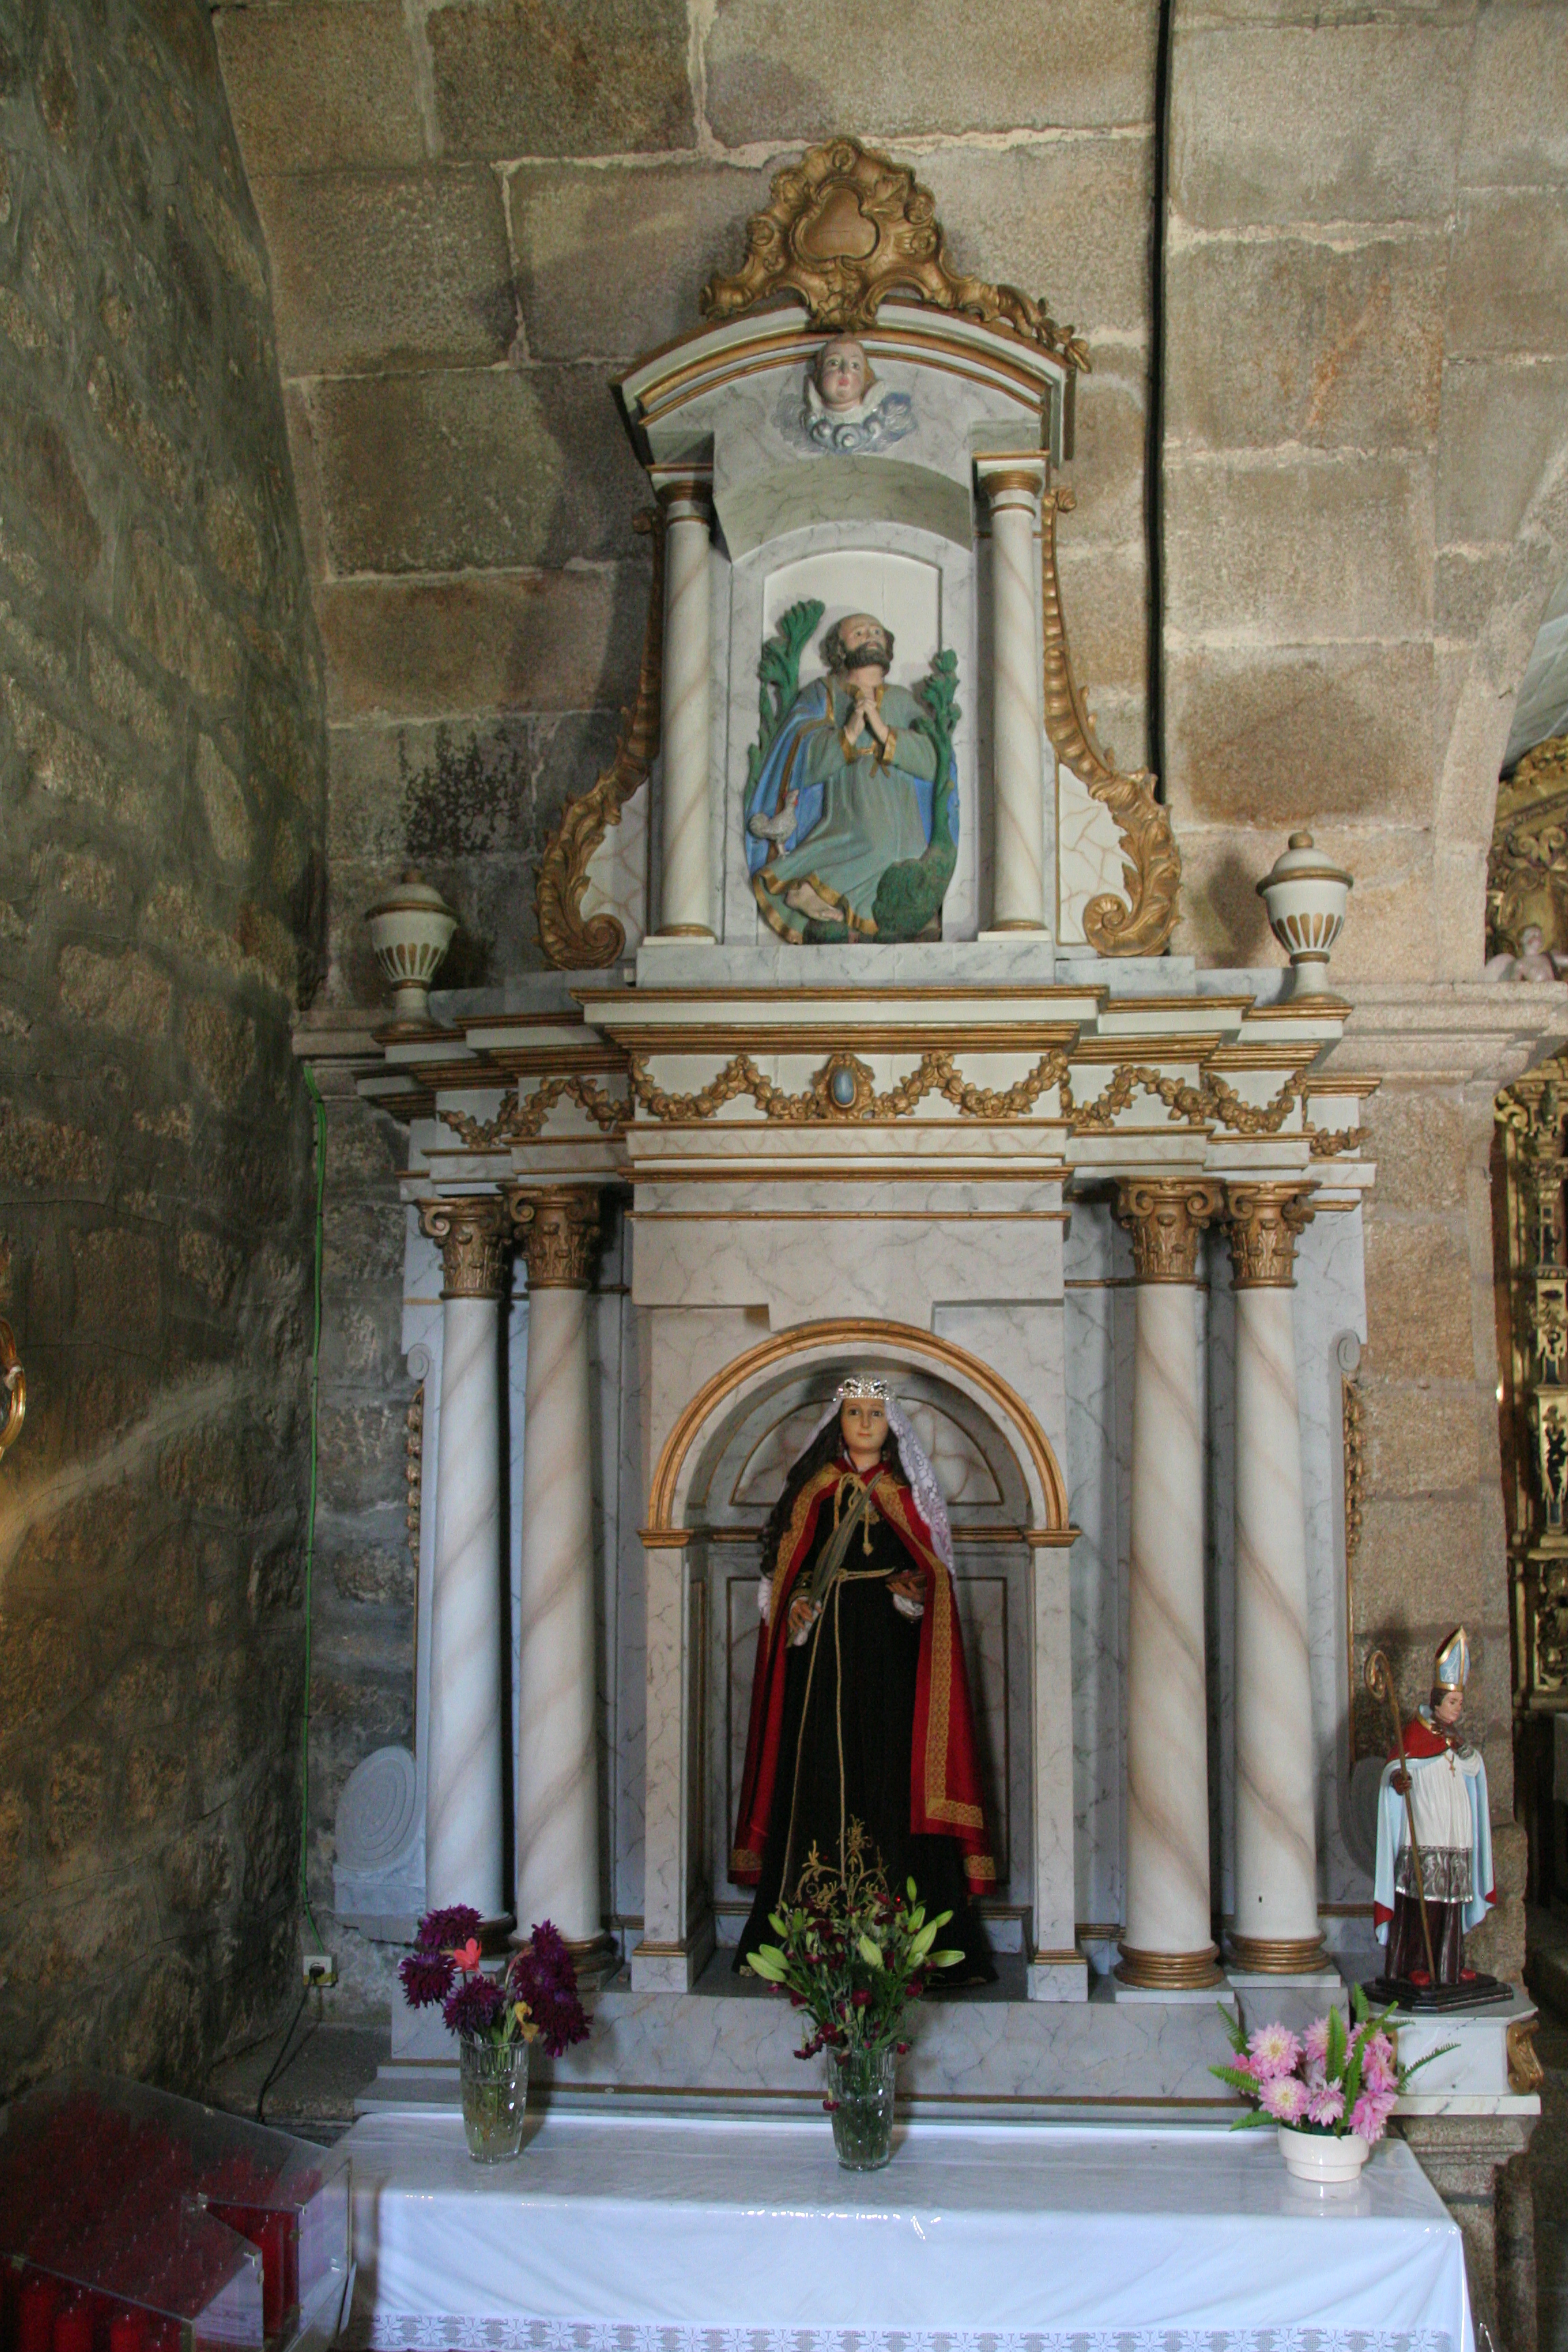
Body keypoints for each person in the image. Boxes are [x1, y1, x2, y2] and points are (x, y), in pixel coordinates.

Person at [731, 1375, 996, 1982]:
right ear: (839, 1422)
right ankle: (810, 1932)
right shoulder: (815, 1492)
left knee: (890, 1773)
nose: (866, 1423)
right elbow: (789, 1572)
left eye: (876, 1412)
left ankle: (898, 1936)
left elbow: (935, 1574)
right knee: (819, 1774)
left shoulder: (907, 1495)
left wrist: (914, 1595)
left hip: (891, 1660)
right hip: (822, 1664)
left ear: (891, 1425)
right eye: (855, 1412)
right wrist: (797, 1603)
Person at [745, 613, 957, 941]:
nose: (870, 637)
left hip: (903, 810)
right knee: (877, 844)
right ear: (840, 650)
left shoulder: (902, 701)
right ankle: (807, 888)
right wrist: (849, 734)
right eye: (859, 633)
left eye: (876, 632)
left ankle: (852, 910)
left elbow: (934, 761)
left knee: (909, 855)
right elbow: (798, 750)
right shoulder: (824, 692)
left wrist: (885, 733)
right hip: (853, 802)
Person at [1373, 1627, 1496, 1984]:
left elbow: (1472, 1767)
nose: (1458, 1709)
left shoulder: (1453, 1738)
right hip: (1425, 1832)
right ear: (1438, 1700)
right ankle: (1415, 1963)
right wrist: (1397, 1781)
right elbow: (1394, 1770)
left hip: (1454, 1835)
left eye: (1460, 1703)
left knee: (1452, 1901)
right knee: (1421, 1901)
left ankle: (1449, 1964)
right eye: (1453, 1702)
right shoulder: (1415, 1734)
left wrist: (1465, 1754)